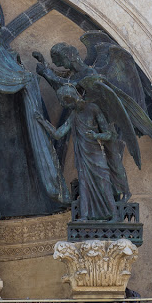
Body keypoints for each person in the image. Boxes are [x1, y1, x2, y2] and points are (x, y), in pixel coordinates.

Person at [35, 85, 117, 220]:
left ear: (71, 98)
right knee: (84, 184)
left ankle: (115, 216)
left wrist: (96, 136)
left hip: (96, 155)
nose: (66, 106)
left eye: (66, 102)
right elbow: (58, 134)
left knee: (104, 183)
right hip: (83, 156)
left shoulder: (93, 109)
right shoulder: (74, 115)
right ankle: (85, 216)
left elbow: (108, 134)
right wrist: (42, 121)